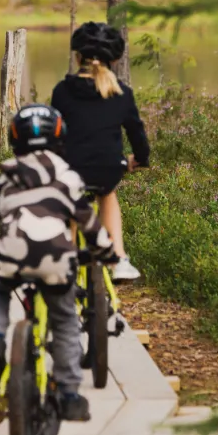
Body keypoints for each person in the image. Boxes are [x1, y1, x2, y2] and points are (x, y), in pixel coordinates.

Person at [0, 103, 117, 422]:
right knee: (64, 321)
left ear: (15, 139)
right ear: (60, 138)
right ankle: (70, 395)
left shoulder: (6, 176)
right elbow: (88, 221)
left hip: (11, 254)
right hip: (56, 258)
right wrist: (108, 253)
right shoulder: (67, 176)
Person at [50, 22, 151, 281]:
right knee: (107, 193)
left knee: (70, 199)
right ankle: (119, 258)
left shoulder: (62, 91)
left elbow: (56, 133)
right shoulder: (122, 93)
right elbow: (136, 133)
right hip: (109, 166)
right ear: (115, 60)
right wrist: (139, 159)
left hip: (70, 167)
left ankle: (66, 262)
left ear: (77, 57)